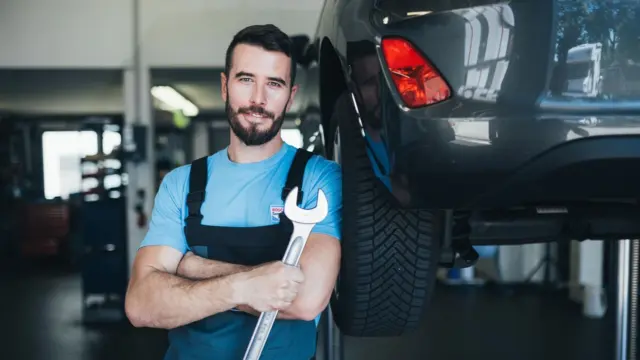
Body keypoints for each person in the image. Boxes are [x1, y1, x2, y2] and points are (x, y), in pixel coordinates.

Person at [124, 24, 342, 360]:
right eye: (246, 79)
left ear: (291, 95)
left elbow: (305, 300)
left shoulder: (318, 178)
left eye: (274, 83)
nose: (258, 98)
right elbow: (141, 304)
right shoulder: (182, 184)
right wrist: (247, 286)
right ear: (225, 86)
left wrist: (194, 268)